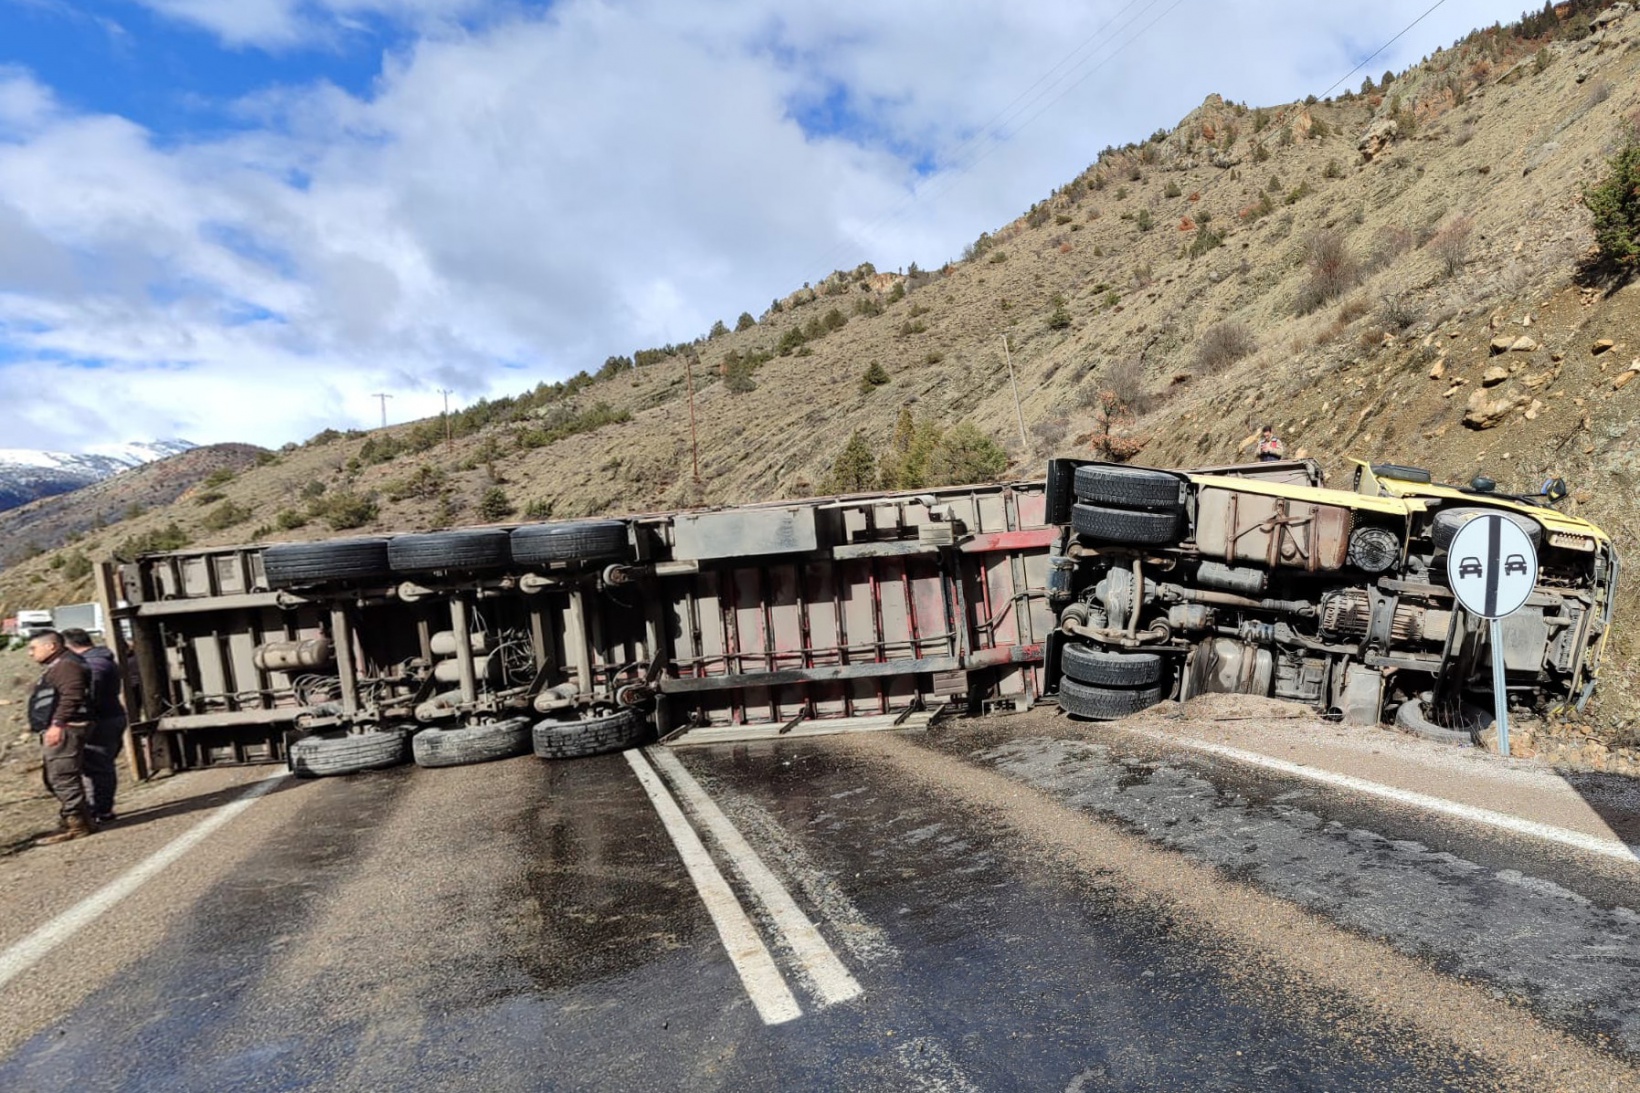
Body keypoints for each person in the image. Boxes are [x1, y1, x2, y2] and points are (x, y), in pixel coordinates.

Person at [26, 630, 95, 843]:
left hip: (66, 728)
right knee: (55, 776)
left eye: (33, 648)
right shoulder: (61, 665)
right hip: (63, 726)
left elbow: (72, 696)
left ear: (51, 646)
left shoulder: (66, 665)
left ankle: (77, 825)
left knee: (62, 777)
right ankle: (78, 820)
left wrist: (57, 724)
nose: (30, 653)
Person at [62, 628, 125, 825]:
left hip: (101, 721)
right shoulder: (101, 660)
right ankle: (99, 807)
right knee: (97, 767)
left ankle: (101, 810)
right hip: (109, 717)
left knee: (99, 767)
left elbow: (90, 694)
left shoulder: (94, 665)